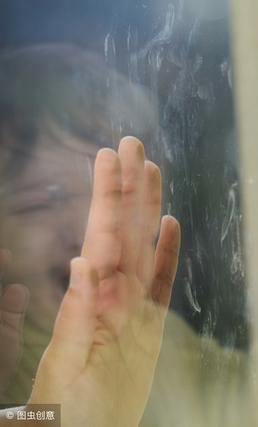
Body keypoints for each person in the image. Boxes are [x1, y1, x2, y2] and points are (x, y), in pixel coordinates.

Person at [0, 136, 181, 426]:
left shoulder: (165, 342)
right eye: (39, 204)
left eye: (87, 196)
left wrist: (44, 418)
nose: (79, 231)